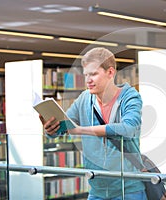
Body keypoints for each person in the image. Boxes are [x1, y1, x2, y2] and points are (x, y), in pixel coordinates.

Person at [40, 47, 147, 200]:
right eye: (86, 75)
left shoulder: (130, 97)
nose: (88, 80)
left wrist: (82, 130)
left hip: (128, 189)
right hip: (97, 190)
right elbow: (65, 126)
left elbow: (128, 128)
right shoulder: (84, 99)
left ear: (110, 72)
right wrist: (51, 129)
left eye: (94, 74)